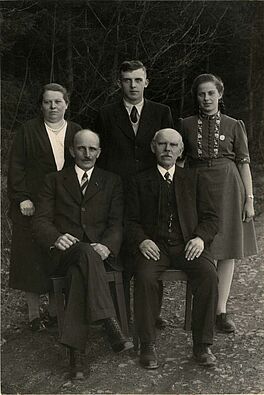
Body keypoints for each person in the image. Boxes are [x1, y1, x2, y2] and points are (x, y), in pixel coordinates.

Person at [32, 129, 133, 380]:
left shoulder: (112, 181)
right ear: (71, 151)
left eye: (92, 149)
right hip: (64, 253)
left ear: (99, 153)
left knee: (80, 272)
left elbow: (117, 222)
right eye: (81, 148)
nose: (86, 154)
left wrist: (108, 245)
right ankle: (109, 321)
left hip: (99, 253)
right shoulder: (53, 180)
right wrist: (56, 237)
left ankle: (76, 358)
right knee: (82, 254)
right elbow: (40, 220)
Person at [125, 128, 219, 369]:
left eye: (173, 145)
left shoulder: (194, 178)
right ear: (153, 147)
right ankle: (147, 344)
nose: (168, 149)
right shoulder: (138, 180)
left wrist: (199, 239)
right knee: (145, 277)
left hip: (187, 245)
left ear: (180, 151)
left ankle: (202, 345)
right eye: (163, 144)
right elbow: (129, 220)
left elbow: (211, 218)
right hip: (154, 247)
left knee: (208, 274)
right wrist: (142, 241)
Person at [95, 60, 174, 326]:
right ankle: (120, 316)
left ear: (146, 82)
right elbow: (100, 157)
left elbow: (168, 152)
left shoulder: (161, 112)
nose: (133, 86)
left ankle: (153, 313)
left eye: (138, 80)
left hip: (151, 192)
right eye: (127, 80)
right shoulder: (105, 114)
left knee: (153, 246)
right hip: (116, 191)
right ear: (120, 83)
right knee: (121, 252)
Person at [180, 74, 258, 333]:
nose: (206, 99)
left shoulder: (234, 125)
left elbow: (244, 163)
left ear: (220, 95)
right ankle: (202, 306)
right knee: (202, 246)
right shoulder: (186, 124)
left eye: (211, 94)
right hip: (196, 186)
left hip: (228, 186)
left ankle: (220, 310)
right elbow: (179, 163)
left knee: (227, 248)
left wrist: (249, 199)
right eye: (201, 94)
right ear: (196, 97)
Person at [8, 83, 82, 331]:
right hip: (33, 204)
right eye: (47, 102)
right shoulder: (28, 131)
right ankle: (33, 316)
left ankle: (54, 311)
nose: (52, 107)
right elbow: (16, 167)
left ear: (66, 104)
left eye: (57, 102)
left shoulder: (76, 131)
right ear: (41, 105)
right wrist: (22, 197)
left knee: (56, 255)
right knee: (30, 258)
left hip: (64, 205)